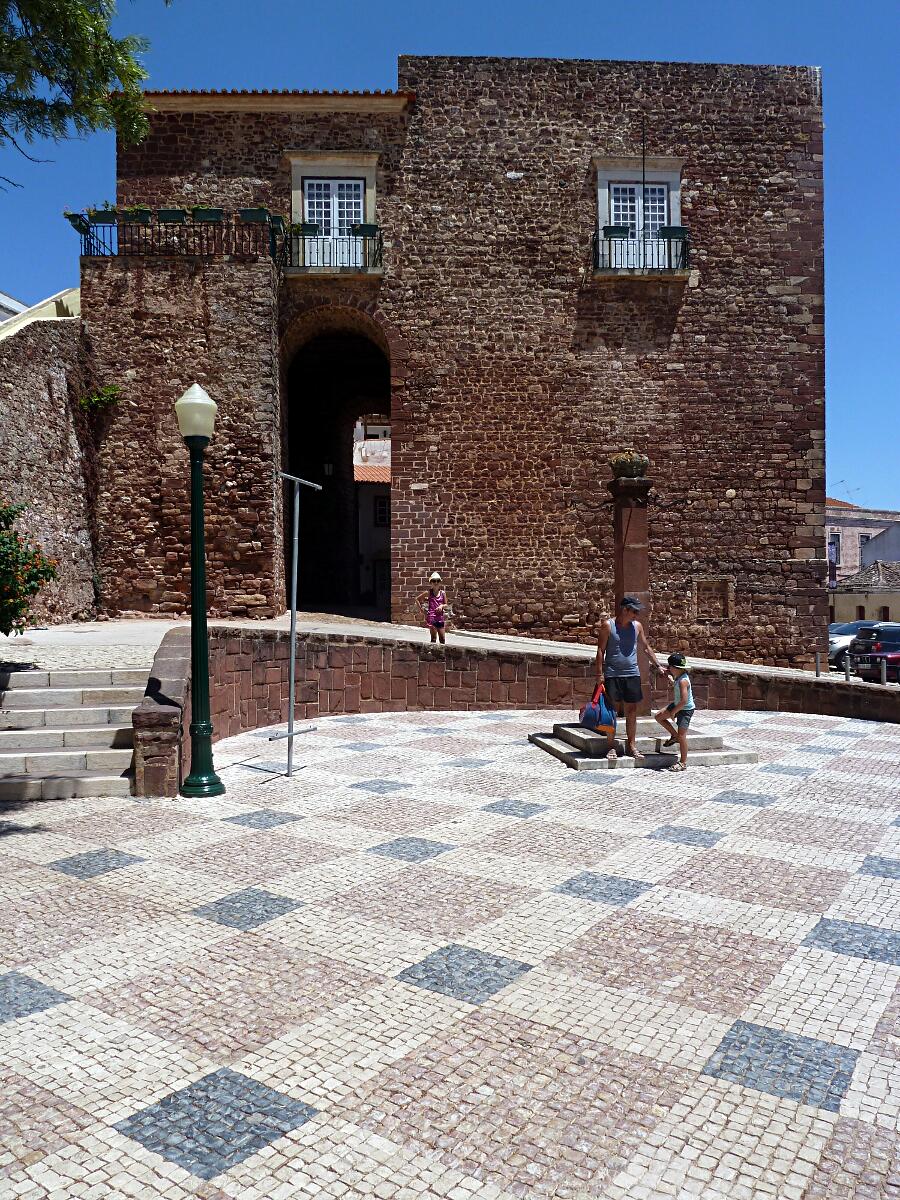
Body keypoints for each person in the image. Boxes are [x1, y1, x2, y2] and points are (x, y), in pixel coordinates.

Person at [595, 596, 665, 763]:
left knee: (632, 711)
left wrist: (658, 665)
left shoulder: (637, 627)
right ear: (625, 609)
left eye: (637, 611)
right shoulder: (608, 626)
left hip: (632, 673)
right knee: (612, 710)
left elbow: (646, 648)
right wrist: (599, 674)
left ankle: (632, 745)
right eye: (634, 611)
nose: (636, 615)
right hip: (612, 674)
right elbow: (600, 650)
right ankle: (611, 745)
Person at [654, 652, 696, 772]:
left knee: (682, 735)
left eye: (669, 667)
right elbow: (670, 673)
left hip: (685, 709)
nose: (668, 669)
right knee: (658, 717)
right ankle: (674, 735)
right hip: (677, 705)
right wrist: (667, 674)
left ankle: (683, 762)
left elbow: (684, 700)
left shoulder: (683, 681)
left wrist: (673, 712)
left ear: (675, 668)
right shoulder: (679, 675)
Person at [417, 571, 448, 644]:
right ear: (431, 582)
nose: (436, 582)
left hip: (440, 617)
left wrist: (441, 606)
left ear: (440, 582)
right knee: (434, 638)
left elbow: (446, 604)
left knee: (442, 638)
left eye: (438, 581)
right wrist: (421, 610)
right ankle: (432, 654)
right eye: (434, 581)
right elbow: (417, 599)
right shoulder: (428, 592)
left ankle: (441, 654)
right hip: (432, 617)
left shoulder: (443, 593)